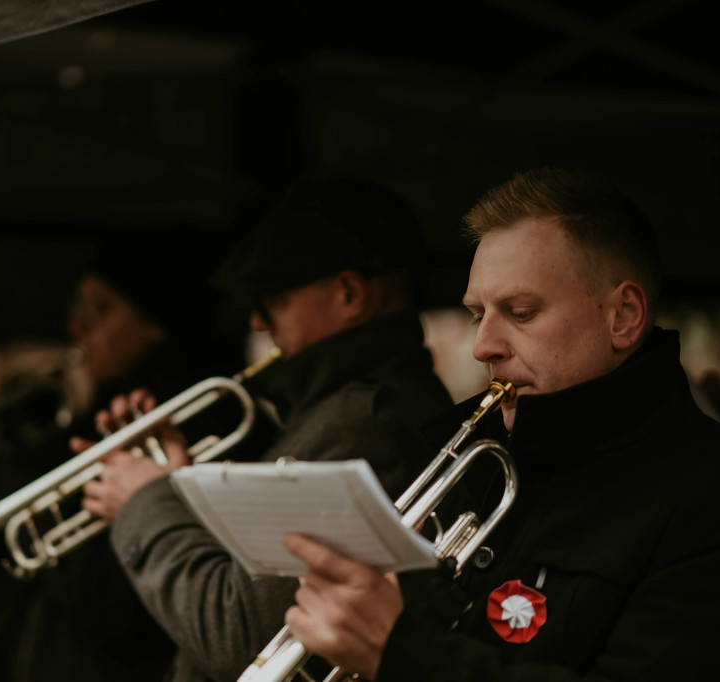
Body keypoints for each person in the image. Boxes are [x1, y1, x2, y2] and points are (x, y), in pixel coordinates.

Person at [277, 166, 720, 681]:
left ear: (623, 316)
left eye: (521, 312)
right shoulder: (467, 461)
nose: (484, 346)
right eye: (476, 313)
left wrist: (401, 653)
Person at [77, 177, 455, 682]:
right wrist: (177, 488)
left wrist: (144, 503)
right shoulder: (342, 408)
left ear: (349, 294)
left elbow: (238, 635)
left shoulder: (365, 423)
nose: (256, 322)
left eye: (272, 301)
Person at [0, 229, 244, 682]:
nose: (77, 327)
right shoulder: (93, 413)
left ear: (155, 322)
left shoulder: (193, 423)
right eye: (78, 308)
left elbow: (110, 614)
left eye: (100, 309)